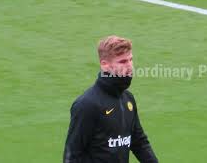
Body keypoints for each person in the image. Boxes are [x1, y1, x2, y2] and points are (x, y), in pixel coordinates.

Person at [63, 35, 158, 163]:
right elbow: (72, 155)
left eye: (131, 59)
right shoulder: (87, 105)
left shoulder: (128, 99)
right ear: (105, 65)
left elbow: (138, 141)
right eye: (123, 61)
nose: (130, 66)